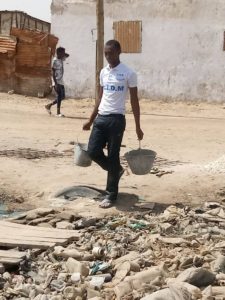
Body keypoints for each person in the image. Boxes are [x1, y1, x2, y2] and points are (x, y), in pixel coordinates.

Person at [83, 39, 144, 208]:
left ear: (119, 52)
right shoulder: (103, 72)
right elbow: (100, 97)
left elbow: (134, 100)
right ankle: (116, 170)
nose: (108, 56)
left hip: (117, 120)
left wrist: (138, 126)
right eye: (105, 53)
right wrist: (90, 119)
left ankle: (111, 194)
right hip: (101, 118)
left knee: (112, 155)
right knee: (93, 151)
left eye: (110, 53)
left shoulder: (129, 73)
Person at [45, 47, 69, 117]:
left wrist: (64, 53)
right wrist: (55, 83)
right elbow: (53, 72)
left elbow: (68, 55)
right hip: (56, 80)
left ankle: (49, 105)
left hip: (61, 80)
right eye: (62, 53)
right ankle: (58, 113)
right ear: (58, 53)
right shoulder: (55, 61)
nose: (63, 55)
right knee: (59, 95)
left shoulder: (61, 58)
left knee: (63, 96)